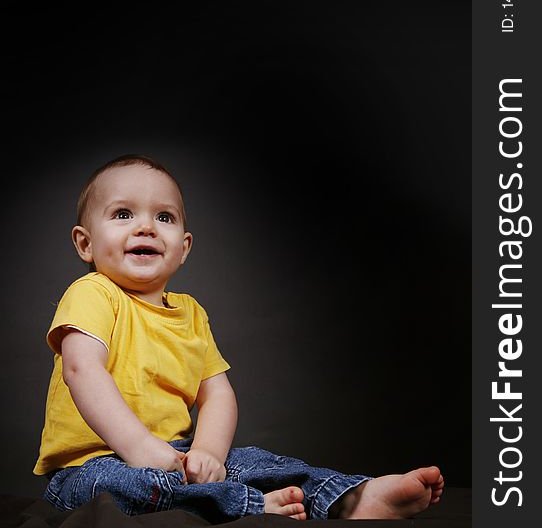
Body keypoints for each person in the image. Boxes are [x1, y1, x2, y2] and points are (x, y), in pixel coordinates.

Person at [33, 154, 444, 521]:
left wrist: (209, 453)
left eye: (164, 217)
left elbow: (217, 394)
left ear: (184, 247)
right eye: (123, 214)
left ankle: (349, 496)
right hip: (90, 466)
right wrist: (140, 448)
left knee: (256, 461)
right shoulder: (93, 294)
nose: (146, 227)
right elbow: (81, 368)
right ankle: (251, 506)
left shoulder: (191, 314)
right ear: (85, 243)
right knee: (126, 487)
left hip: (176, 455)